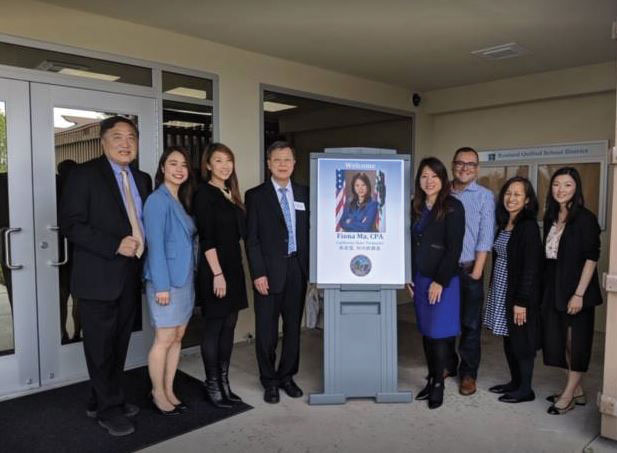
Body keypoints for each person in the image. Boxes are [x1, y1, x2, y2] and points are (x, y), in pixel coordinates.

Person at [59, 116, 152, 436]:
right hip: (97, 275)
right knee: (99, 346)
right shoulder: (84, 176)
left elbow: (142, 222)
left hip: (130, 274)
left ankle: (102, 398)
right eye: (117, 137)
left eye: (131, 138)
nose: (125, 143)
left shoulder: (142, 179)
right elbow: (71, 225)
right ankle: (109, 409)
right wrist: (115, 244)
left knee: (119, 343)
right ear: (102, 141)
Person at [246, 140, 309, 404]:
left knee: (293, 328)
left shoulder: (305, 193)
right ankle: (269, 380)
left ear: (294, 164)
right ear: (269, 164)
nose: (283, 164)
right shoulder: (256, 195)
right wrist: (258, 273)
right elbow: (252, 240)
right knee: (267, 330)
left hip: (297, 268)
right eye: (277, 160)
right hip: (269, 273)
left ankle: (287, 376)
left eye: (287, 160)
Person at [542, 167, 602, 415]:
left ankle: (568, 395)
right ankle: (576, 390)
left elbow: (591, 257)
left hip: (577, 290)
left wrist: (578, 294)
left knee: (574, 343)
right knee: (558, 342)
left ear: (576, 188)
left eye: (567, 185)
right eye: (556, 184)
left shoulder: (585, 218)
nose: (560, 190)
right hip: (554, 287)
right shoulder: (551, 215)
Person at [193, 143, 248, 408]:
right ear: (207, 165)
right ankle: (212, 385)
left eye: (229, 160)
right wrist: (217, 274)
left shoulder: (231, 193)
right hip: (215, 269)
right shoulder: (204, 193)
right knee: (213, 329)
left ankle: (224, 383)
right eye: (218, 161)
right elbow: (207, 238)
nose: (225, 165)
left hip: (234, 268)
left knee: (229, 327)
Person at [143, 146, 196, 416]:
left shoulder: (180, 200)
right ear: (163, 168)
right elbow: (156, 246)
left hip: (185, 280)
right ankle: (157, 392)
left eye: (184, 165)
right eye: (173, 164)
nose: (179, 169)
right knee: (164, 338)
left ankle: (169, 388)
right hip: (166, 283)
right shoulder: (157, 200)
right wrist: (161, 286)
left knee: (177, 337)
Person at [409, 157, 465, 409]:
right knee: (426, 331)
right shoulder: (417, 206)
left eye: (434, 176)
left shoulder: (453, 207)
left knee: (439, 334)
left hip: (443, 280)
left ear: (442, 179)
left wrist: (440, 281)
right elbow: (411, 244)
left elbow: (454, 249)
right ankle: (432, 379)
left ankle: (440, 385)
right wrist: (408, 275)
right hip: (420, 278)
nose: (429, 181)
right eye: (424, 176)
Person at [484, 177, 542, 403]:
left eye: (517, 194)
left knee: (522, 343)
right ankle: (515, 382)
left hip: (518, 294)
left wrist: (522, 301)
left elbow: (531, 267)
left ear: (527, 200)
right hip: (502, 289)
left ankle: (526, 390)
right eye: (508, 193)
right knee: (509, 339)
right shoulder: (505, 223)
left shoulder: (527, 227)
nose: (511, 198)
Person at [450, 146, 495, 396]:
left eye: (471, 164)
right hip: (444, 270)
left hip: (469, 269)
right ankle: (447, 365)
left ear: (477, 169)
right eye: (460, 162)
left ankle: (468, 374)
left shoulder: (484, 196)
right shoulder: (443, 192)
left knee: (470, 324)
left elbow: (486, 235)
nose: (465, 167)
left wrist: (477, 270)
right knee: (444, 321)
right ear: (453, 165)